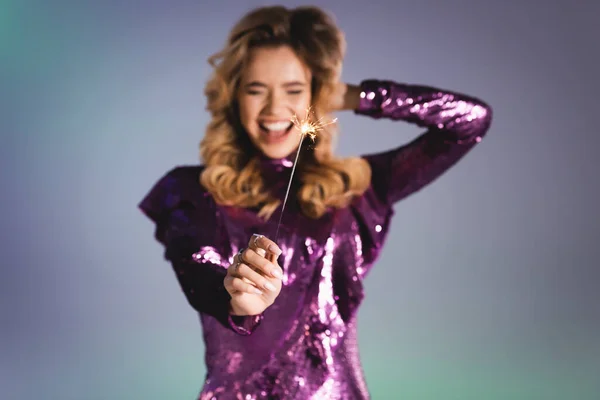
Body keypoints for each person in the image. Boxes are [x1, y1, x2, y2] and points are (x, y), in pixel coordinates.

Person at [139, 5, 492, 400]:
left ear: (316, 95)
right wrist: (238, 300)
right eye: (256, 89)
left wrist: (357, 96)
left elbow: (470, 122)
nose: (275, 110)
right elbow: (199, 272)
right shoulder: (191, 190)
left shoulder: (355, 188)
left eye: (293, 90)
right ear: (233, 95)